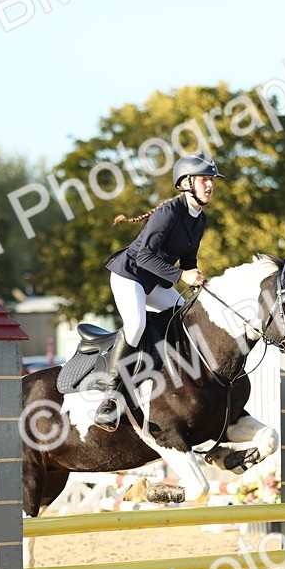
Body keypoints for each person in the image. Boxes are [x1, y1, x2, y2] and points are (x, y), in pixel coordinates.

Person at [92, 152, 223, 431]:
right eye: (204, 180)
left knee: (185, 320)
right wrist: (180, 275)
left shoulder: (199, 218)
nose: (210, 185)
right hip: (130, 276)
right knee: (137, 324)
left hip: (154, 283)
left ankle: (164, 382)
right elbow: (143, 258)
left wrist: (197, 278)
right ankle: (109, 399)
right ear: (187, 182)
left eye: (211, 180)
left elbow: (188, 260)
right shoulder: (169, 213)